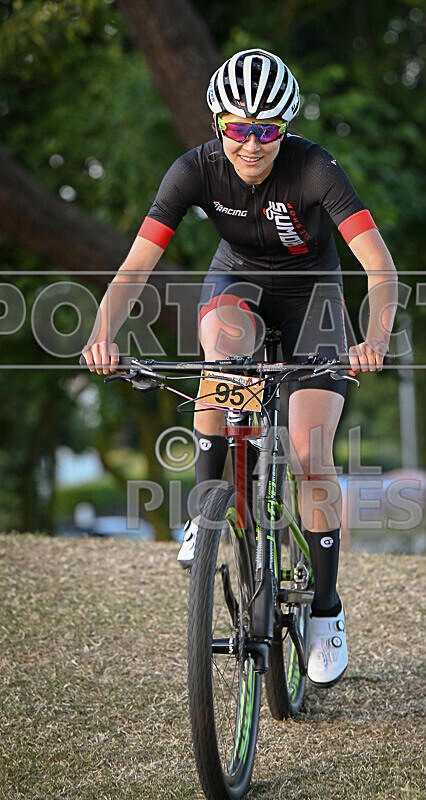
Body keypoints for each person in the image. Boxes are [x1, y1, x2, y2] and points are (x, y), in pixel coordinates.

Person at [83, 48, 398, 687]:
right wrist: (102, 332)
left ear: (285, 130)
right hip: (238, 287)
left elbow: (379, 266)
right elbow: (137, 265)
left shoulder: (315, 169)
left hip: (314, 298)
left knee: (311, 451)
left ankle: (327, 611)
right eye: (237, 129)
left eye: (267, 131)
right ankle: (208, 513)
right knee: (222, 360)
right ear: (218, 126)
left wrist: (374, 336)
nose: (250, 145)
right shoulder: (193, 170)